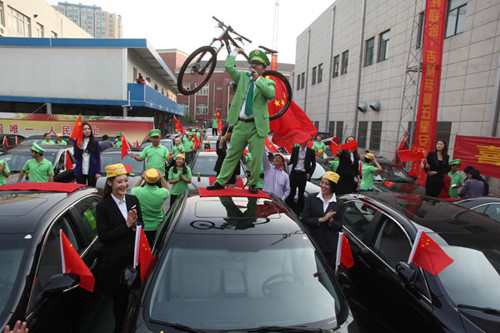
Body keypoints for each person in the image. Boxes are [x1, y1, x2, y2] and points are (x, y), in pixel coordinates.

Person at [207, 48, 276, 194]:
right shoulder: (243, 77)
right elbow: (228, 67)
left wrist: (257, 80)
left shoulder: (268, 83)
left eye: (258, 64)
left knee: (256, 157)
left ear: (264, 68)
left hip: (257, 127)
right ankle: (220, 181)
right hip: (240, 124)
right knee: (232, 154)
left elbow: (270, 94)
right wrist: (234, 52)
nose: (254, 66)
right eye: (253, 63)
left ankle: (253, 184)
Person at [96, 163, 142, 333]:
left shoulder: (133, 200)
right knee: (120, 303)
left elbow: (140, 224)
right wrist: (127, 225)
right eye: (119, 182)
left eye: (125, 181)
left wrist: (135, 224)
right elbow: (104, 237)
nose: (123, 185)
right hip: (115, 264)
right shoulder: (103, 207)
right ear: (110, 183)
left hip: (134, 260)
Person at [301, 171, 345, 267]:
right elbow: (304, 219)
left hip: (329, 247)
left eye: (327, 184)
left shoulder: (339, 204)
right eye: (322, 182)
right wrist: (321, 219)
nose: (323, 186)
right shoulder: (312, 198)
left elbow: (339, 227)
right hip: (312, 243)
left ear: (333, 186)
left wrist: (331, 221)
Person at [131, 168, 170, 245]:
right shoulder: (161, 193)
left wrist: (142, 177)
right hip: (157, 226)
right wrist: (162, 177)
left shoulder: (138, 191)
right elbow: (167, 189)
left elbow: (133, 188)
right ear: (157, 180)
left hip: (142, 227)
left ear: (145, 179)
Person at [285, 140, 316, 214]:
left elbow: (314, 164)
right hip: (294, 173)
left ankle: (299, 212)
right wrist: (288, 161)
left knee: (301, 194)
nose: (302, 143)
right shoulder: (295, 149)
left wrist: (309, 173)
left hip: (303, 174)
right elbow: (292, 161)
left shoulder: (311, 151)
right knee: (291, 192)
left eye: (304, 141)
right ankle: (289, 209)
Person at [74, 122, 101, 186]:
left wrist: (98, 172)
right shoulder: (77, 141)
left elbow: (97, 158)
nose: (87, 131)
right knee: (80, 189)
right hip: (80, 170)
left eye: (88, 129)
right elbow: (76, 157)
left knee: (91, 189)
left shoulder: (95, 142)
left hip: (92, 170)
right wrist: (80, 147)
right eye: (85, 129)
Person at [214, 124, 241, 188]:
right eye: (227, 132)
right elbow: (219, 153)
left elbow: (237, 158)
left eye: (230, 132)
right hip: (221, 168)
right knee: (220, 189)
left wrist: (237, 173)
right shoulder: (219, 141)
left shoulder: (235, 143)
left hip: (232, 169)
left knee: (231, 189)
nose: (229, 134)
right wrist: (221, 141)